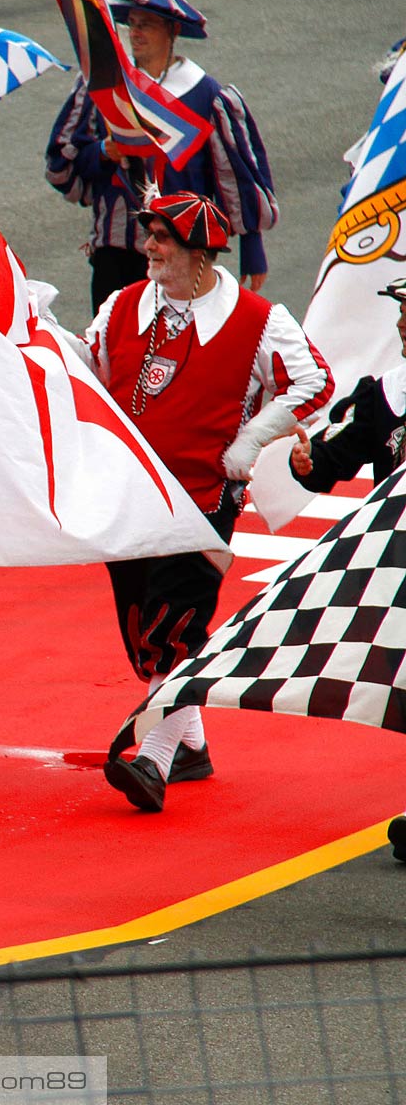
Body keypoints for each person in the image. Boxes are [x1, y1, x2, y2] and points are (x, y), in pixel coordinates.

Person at [73, 192, 330, 813]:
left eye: (161, 238)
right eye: (150, 235)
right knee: (144, 633)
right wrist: (39, 338)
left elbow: (315, 381)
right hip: (129, 492)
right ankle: (189, 746)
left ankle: (154, 761)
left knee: (178, 626)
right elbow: (87, 364)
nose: (149, 248)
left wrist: (251, 438)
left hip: (204, 499)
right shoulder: (123, 304)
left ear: (198, 252)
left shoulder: (259, 319)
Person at [46, 0, 278, 310]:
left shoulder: (205, 96)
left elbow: (237, 176)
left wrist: (253, 246)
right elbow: (63, 161)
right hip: (115, 253)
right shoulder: (104, 85)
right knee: (116, 347)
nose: (136, 33)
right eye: (132, 24)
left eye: (147, 25)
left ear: (173, 31)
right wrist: (102, 151)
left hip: (183, 252)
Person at [287, 276, 406, 862]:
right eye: (402, 312)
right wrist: (306, 463)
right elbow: (332, 462)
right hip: (399, 567)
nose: (403, 324)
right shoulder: (384, 396)